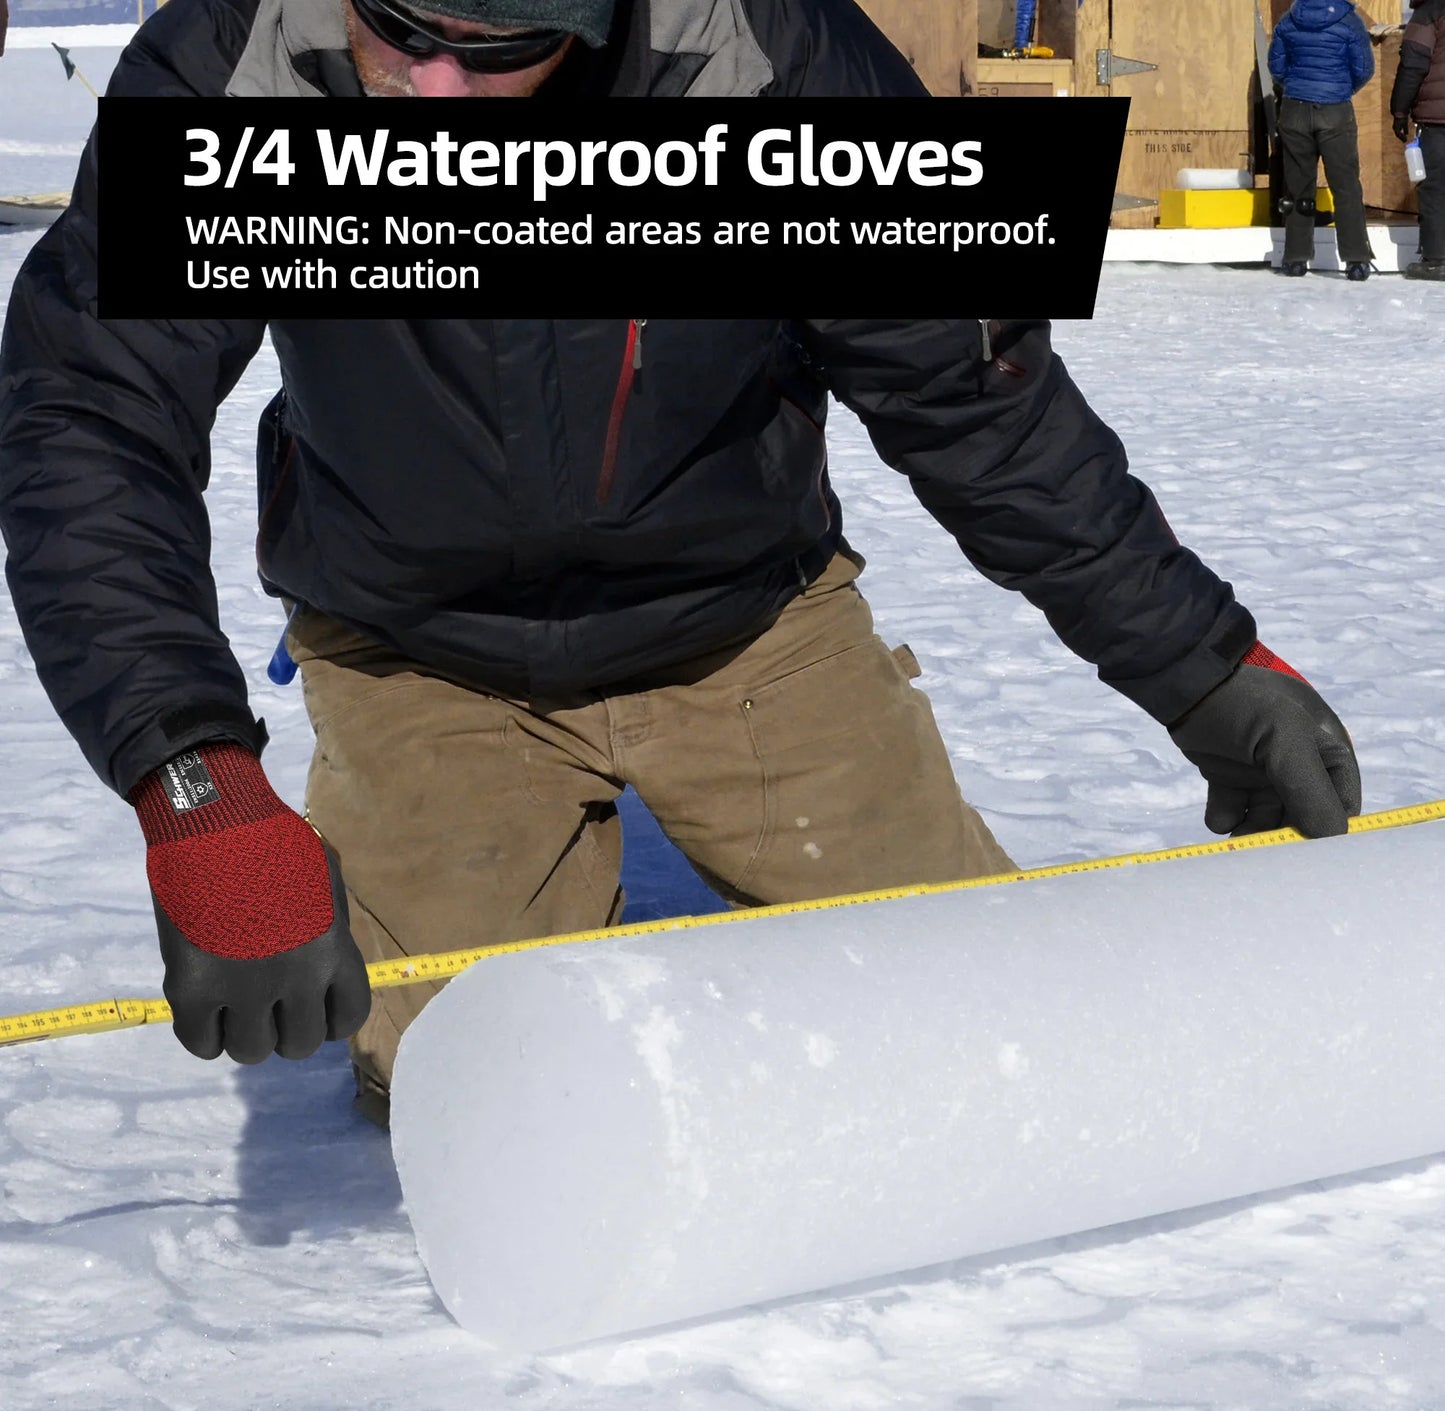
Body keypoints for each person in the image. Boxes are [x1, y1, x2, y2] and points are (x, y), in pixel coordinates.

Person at [0, 0, 1361, 1125]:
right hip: (415, 647)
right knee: (476, 1095)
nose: (436, 91)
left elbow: (971, 393)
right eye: (403, 26)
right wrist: (192, 778)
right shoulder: (231, 62)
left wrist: (1201, 666)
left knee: (972, 1016)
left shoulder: (767, 55)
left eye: (500, 47)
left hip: (744, 628)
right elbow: (92, 415)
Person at [1268, 0, 1376, 279]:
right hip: (1335, 109)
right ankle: (1356, 261)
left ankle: (1295, 258)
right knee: (1346, 187)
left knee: (1298, 186)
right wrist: (1340, 89)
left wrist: (1295, 86)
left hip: (1295, 109)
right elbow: (1364, 68)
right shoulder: (1350, 21)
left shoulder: (1288, 20)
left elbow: (1276, 66)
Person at [1392, 0, 1445, 280]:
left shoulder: (1429, 12)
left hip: (1438, 120)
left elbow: (1413, 63)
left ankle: (1437, 260)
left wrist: (1400, 110)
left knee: (1435, 187)